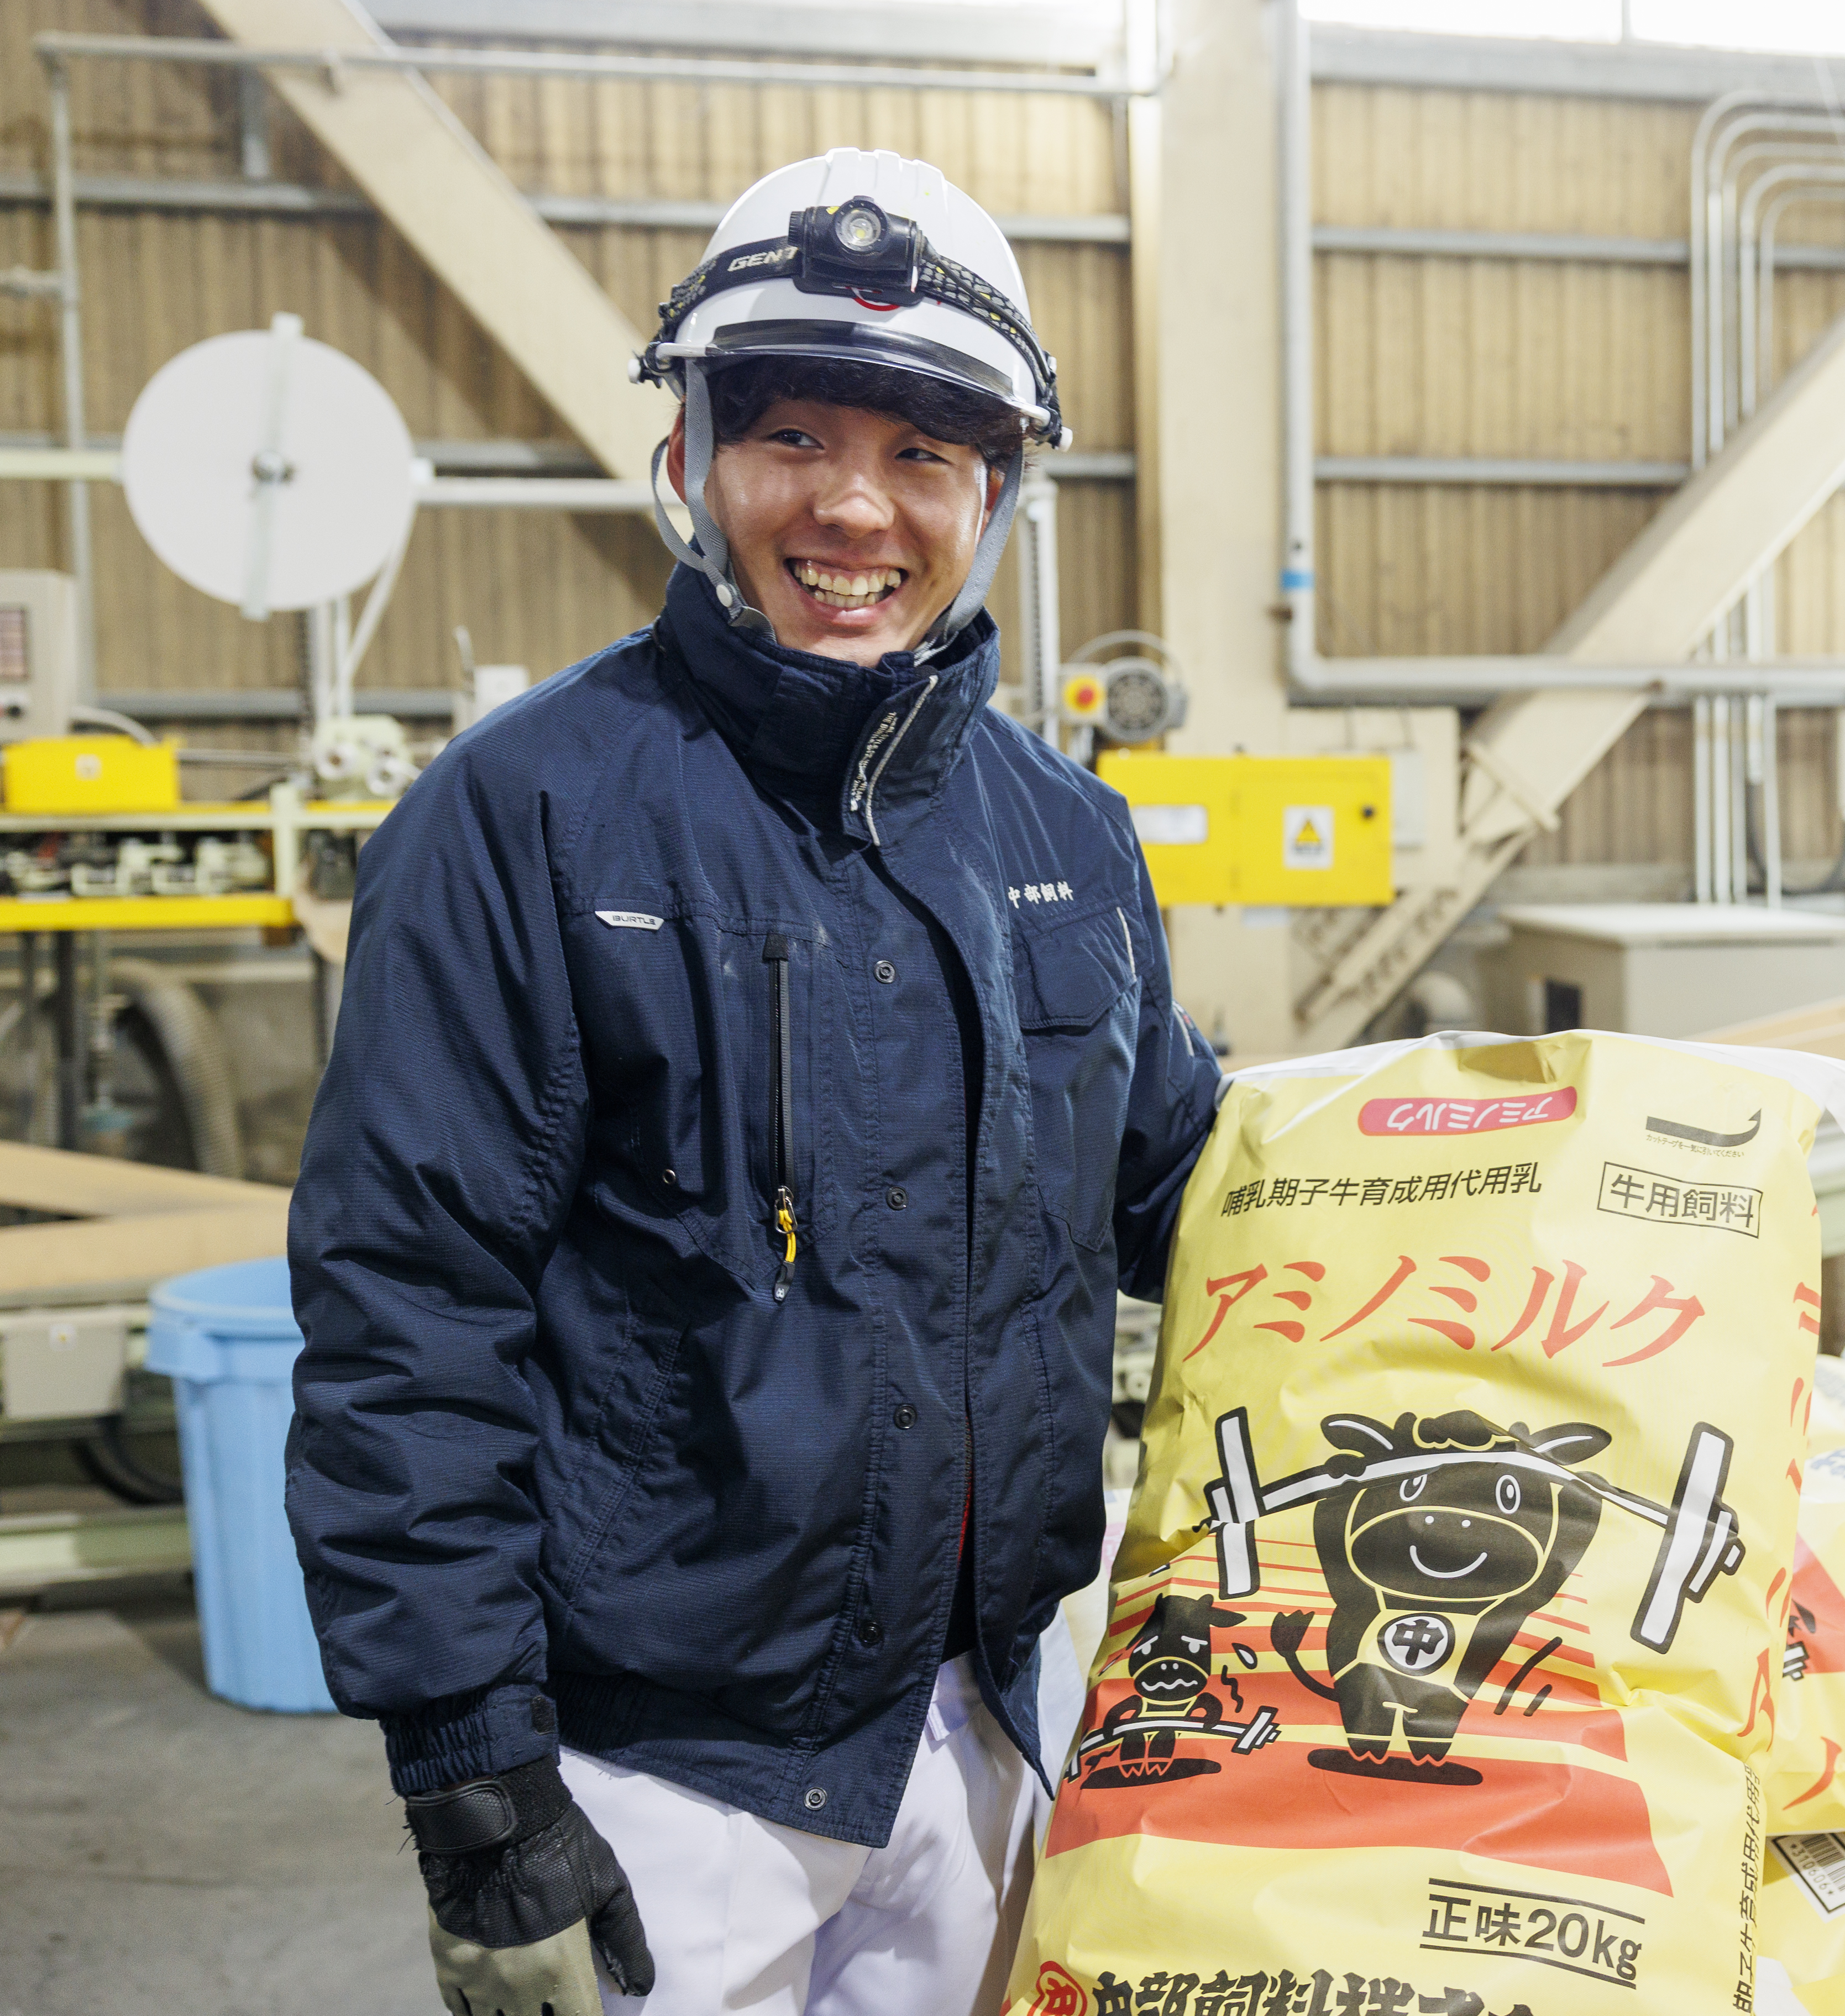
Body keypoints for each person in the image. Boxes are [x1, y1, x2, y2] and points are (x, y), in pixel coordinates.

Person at [285, 148, 1222, 2016]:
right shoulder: (523, 819)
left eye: (922, 456)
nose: (852, 507)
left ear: (994, 496)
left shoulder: (1067, 840)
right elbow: (410, 1313)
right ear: (695, 456)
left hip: (991, 1727)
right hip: (659, 1782)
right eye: (793, 435)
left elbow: (1188, 1194)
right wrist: (476, 1783)